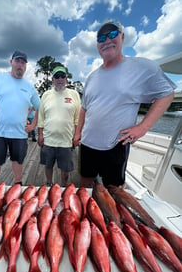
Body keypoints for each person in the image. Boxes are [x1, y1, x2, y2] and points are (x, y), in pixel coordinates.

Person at [73, 19, 176, 188]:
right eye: (101, 38)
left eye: (112, 34)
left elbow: (166, 94)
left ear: (122, 37)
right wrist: (78, 132)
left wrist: (142, 127)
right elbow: (84, 107)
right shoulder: (91, 77)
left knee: (114, 189)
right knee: (85, 181)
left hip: (116, 145)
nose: (107, 40)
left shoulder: (142, 67)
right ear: (98, 45)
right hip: (87, 143)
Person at [0, 50, 40, 185]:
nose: (20, 65)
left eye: (23, 63)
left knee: (18, 160)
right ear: (11, 62)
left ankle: (18, 184)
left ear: (26, 66)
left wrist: (33, 125)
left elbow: (40, 108)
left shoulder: (29, 87)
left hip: (19, 133)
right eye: (17, 61)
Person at [37, 66, 81, 187]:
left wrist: (77, 135)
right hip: (48, 140)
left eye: (62, 76)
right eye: (57, 76)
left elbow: (78, 118)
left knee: (65, 170)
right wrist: (40, 135)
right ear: (53, 79)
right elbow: (41, 118)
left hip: (66, 141)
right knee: (48, 166)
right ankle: (49, 183)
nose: (60, 79)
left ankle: (63, 186)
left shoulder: (74, 94)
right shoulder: (46, 95)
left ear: (66, 78)